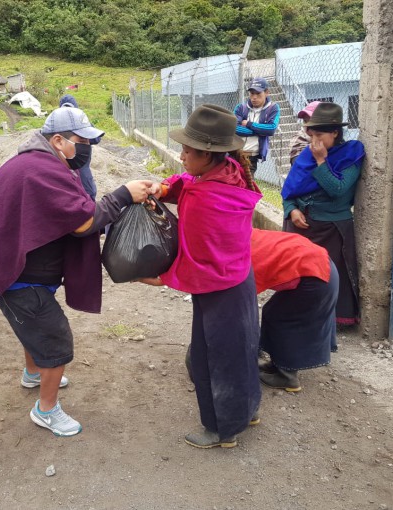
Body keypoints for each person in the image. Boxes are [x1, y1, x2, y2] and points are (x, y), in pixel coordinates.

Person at [0, 106, 154, 437]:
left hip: (20, 271)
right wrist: (122, 195)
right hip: (18, 280)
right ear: (59, 140)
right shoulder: (41, 170)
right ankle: (45, 410)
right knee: (54, 339)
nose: (87, 149)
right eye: (82, 141)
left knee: (33, 328)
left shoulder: (42, 162)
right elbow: (83, 223)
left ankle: (33, 373)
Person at [140, 104, 263, 449]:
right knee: (242, 349)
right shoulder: (231, 174)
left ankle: (221, 430)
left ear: (209, 154)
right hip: (239, 280)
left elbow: (198, 258)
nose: (181, 156)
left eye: (187, 151)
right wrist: (166, 189)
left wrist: (162, 277)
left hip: (218, 288)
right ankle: (247, 410)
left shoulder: (206, 201)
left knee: (212, 357)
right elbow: (188, 181)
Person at [281, 102, 365, 326]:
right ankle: (298, 314)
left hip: (332, 228)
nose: (313, 140)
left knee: (329, 274)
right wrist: (292, 210)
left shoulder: (350, 156)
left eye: (319, 134)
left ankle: (332, 320)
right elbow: (290, 189)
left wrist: (321, 160)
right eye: (311, 134)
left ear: (335, 133)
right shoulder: (306, 155)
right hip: (301, 226)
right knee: (299, 273)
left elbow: (338, 190)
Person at [251, 229, 339, 392]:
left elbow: (244, 305)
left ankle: (287, 377)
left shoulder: (246, 257)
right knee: (272, 312)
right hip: (322, 267)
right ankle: (279, 363)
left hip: (316, 277)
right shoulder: (249, 236)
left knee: (283, 320)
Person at [234, 77, 281, 176]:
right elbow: (233, 128)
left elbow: (271, 129)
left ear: (267, 92)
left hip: (251, 157)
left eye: (258, 93)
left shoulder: (273, 108)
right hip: (234, 153)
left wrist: (249, 124)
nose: (254, 97)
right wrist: (258, 131)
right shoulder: (241, 108)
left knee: (246, 186)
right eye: (252, 93)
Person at [58, 94, 101, 200]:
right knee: (88, 197)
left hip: (61, 172)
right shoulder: (80, 123)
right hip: (81, 170)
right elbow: (96, 139)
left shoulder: (55, 124)